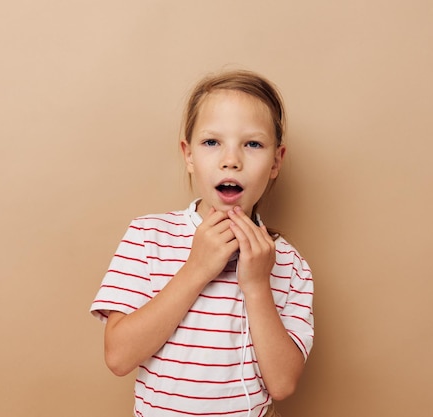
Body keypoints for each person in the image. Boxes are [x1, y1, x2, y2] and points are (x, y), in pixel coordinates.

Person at [90, 69, 314, 417]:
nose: (231, 159)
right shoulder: (149, 238)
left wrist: (256, 285)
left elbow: (282, 384)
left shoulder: (289, 264)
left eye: (252, 144)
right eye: (212, 142)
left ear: (276, 161)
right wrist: (196, 269)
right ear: (189, 154)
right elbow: (118, 357)